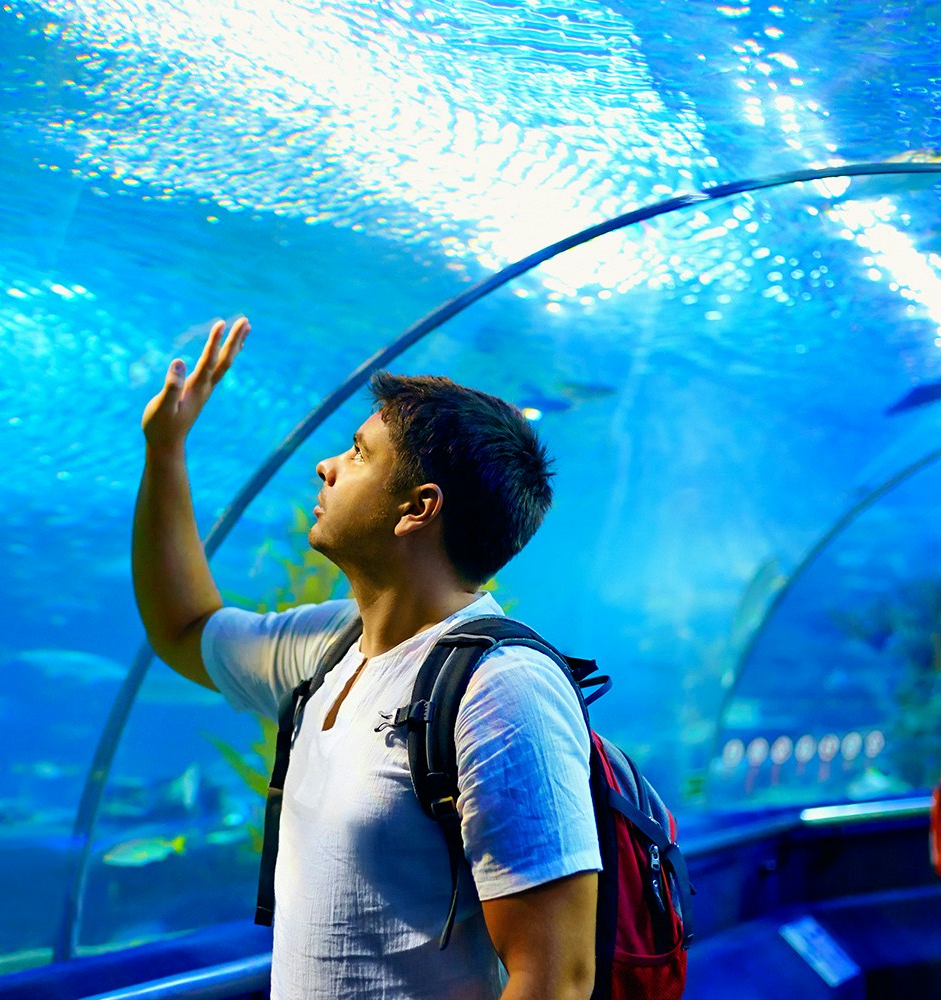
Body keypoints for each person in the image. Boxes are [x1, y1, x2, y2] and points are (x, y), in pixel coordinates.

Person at [132, 316, 600, 1000]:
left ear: (418, 507)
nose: (326, 465)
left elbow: (556, 979)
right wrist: (165, 452)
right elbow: (184, 628)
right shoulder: (328, 646)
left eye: (358, 453)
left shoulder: (502, 689)